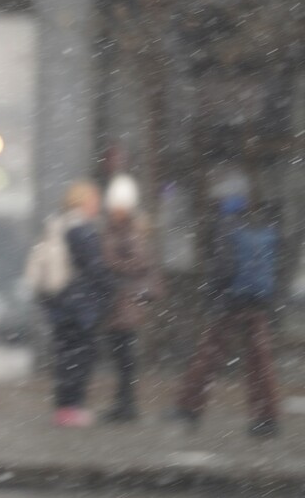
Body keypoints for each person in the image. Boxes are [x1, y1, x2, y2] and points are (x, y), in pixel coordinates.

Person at [170, 197, 281, 438]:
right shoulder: (255, 226)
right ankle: (266, 417)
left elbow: (223, 267)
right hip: (255, 300)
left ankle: (188, 407)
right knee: (259, 360)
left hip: (231, 301)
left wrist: (213, 295)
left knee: (208, 355)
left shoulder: (225, 226)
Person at [41, 180, 115, 428]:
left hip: (61, 302)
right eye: (94, 200)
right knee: (80, 357)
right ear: (84, 202)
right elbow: (94, 267)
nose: (97, 205)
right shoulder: (82, 229)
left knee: (65, 356)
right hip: (79, 305)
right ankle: (72, 407)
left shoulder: (59, 223)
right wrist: (110, 288)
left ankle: (64, 407)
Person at [99, 173, 158, 423]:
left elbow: (138, 261)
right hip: (120, 300)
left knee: (124, 355)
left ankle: (126, 405)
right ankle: (124, 403)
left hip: (125, 301)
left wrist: (111, 263)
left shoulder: (130, 230)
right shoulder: (121, 228)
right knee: (122, 354)